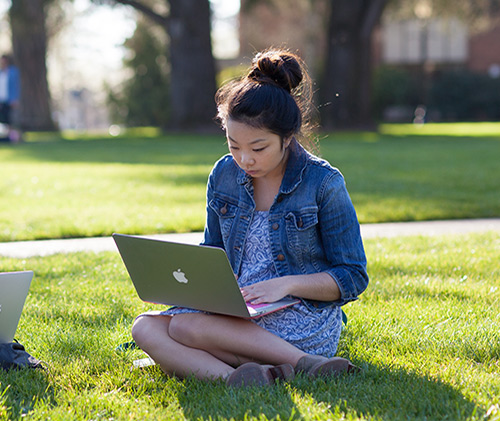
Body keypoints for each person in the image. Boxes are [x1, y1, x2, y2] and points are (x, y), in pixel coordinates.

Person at [130, 48, 368, 387]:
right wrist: (192, 285)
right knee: (145, 326)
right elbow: (213, 250)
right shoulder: (224, 174)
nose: (245, 159)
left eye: (258, 148)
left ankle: (304, 361)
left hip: (298, 315)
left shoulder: (323, 182)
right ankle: (244, 377)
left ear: (287, 138)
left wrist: (284, 285)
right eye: (233, 145)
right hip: (234, 311)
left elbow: (353, 275)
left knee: (185, 328)